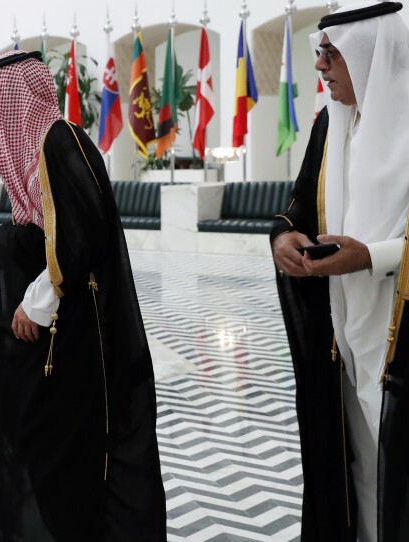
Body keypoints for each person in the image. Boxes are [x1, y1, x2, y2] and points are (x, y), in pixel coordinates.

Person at [0, 50, 166, 541]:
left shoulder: (60, 140)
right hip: (69, 324)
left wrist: (37, 300)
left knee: (70, 441)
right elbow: (38, 234)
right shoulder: (44, 149)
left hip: (80, 328)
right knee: (51, 437)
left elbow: (79, 234)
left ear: (10, 100)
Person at [270, 2, 409, 540]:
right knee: (357, 474)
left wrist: (371, 256)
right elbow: (298, 205)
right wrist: (284, 237)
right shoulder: (330, 123)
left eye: (332, 53)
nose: (321, 66)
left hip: (398, 343)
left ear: (371, 53)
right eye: (319, 52)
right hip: (340, 341)